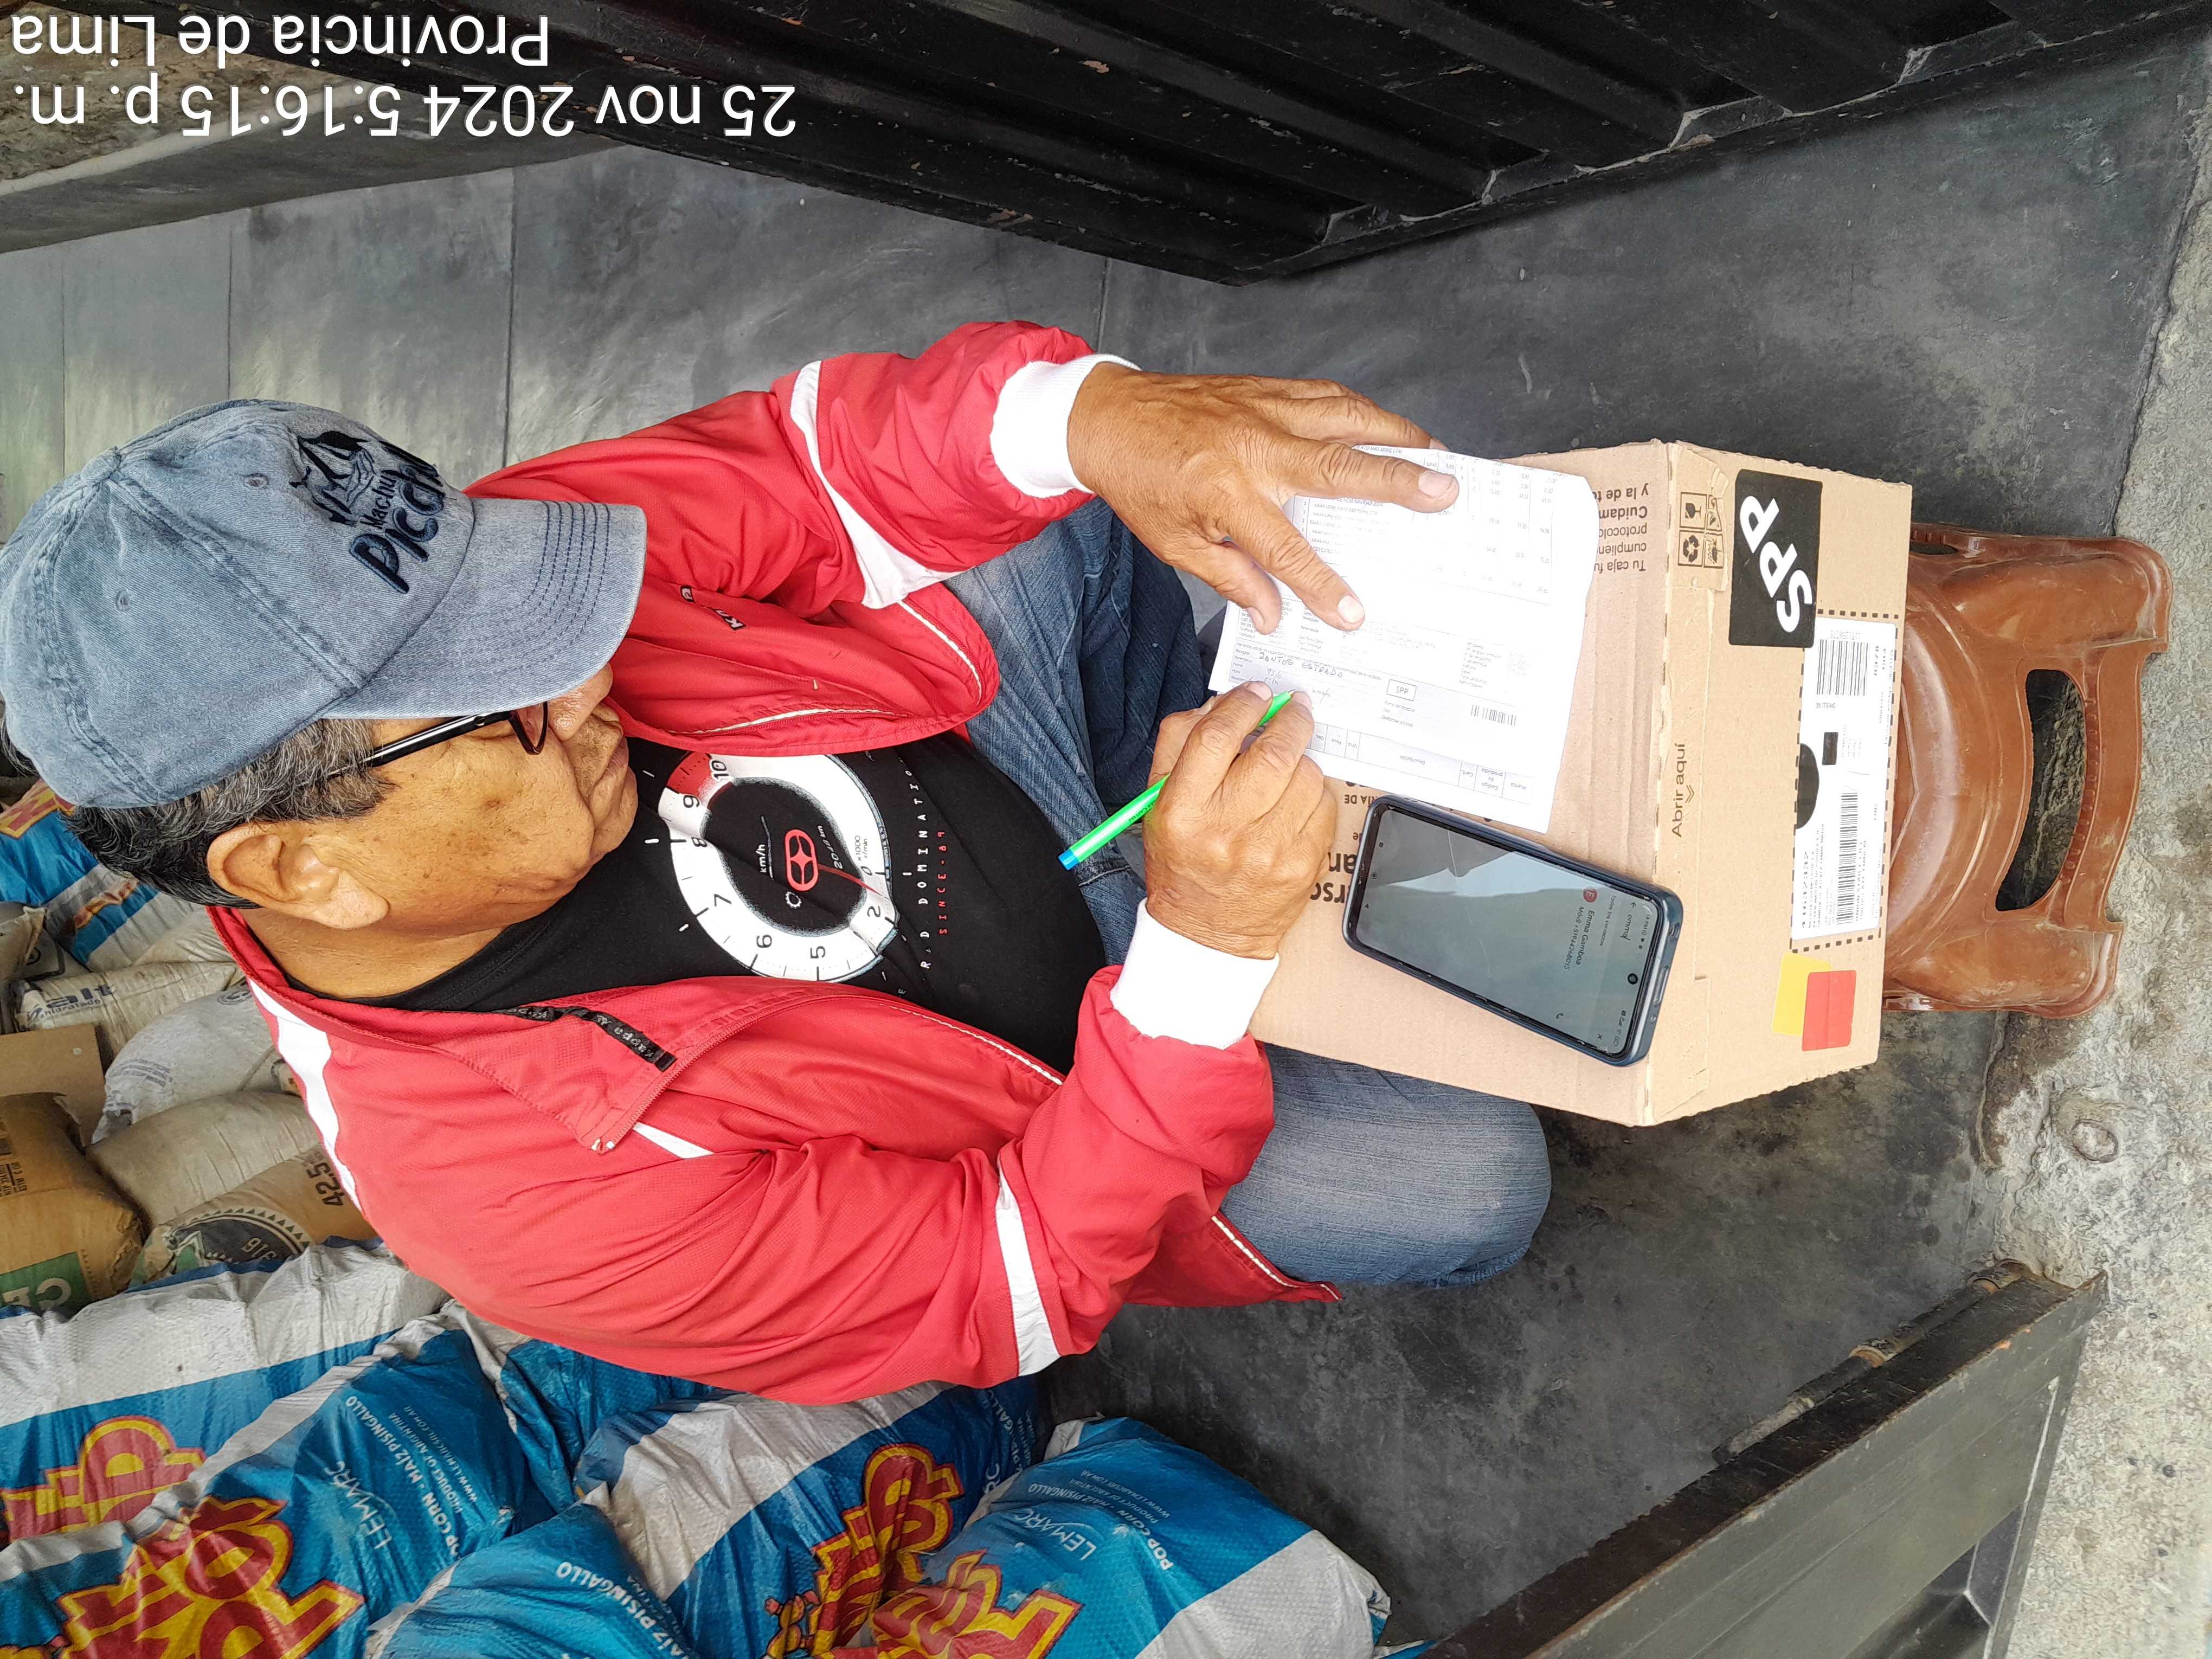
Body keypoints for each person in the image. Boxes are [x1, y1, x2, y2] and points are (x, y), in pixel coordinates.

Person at [0, 323, 1548, 1405]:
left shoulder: (440, 577)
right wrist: (1199, 954)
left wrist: (1097, 420)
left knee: (1031, 496)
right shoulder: (517, 1203)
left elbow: (811, 464)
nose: (588, 670)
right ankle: (1244, 842)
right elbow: (1007, 1273)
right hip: (1081, 1079)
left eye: (533, 601)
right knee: (1467, 1179)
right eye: (515, 703)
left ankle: (1224, 758)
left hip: (1019, 762)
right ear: (304, 866)